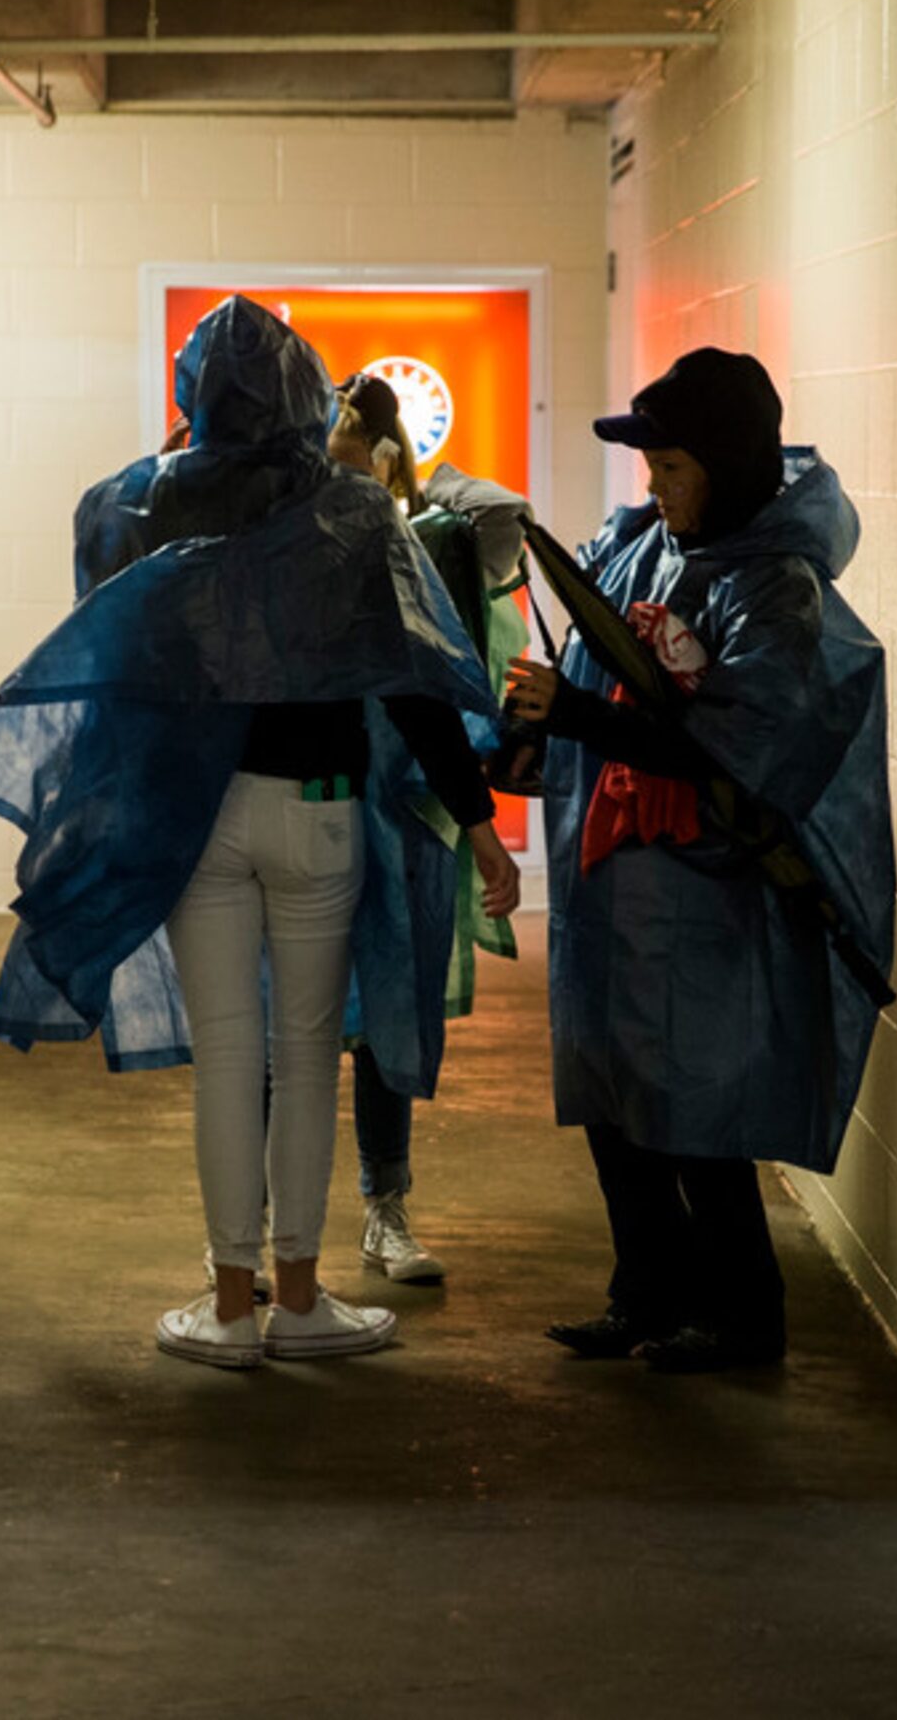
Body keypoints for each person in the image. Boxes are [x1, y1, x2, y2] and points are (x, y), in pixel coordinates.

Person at [0, 296, 519, 1371]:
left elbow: (113, 613)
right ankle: (301, 1302)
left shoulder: (139, 505)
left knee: (228, 1061)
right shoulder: (354, 514)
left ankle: (226, 1303)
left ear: (193, 397)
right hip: (319, 813)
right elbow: (410, 684)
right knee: (306, 1059)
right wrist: (480, 821)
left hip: (196, 820)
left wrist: (176, 470)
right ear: (307, 396)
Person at [501, 347, 894, 1374]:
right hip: (614, 883)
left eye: (673, 469)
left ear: (726, 464)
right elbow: (591, 670)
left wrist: (583, 711)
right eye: (653, 470)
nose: (656, 488)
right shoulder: (651, 547)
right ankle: (646, 1295)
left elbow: (747, 741)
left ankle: (741, 1319)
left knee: (697, 1112)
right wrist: (536, 725)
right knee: (614, 1099)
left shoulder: (776, 587)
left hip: (703, 897)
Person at [322, 372, 534, 1285]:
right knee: (279, 1028)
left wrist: (411, 477)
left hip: (400, 810)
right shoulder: (276, 544)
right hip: (302, 807)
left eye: (341, 447)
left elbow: (504, 517)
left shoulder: (419, 542)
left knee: (385, 1019)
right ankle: (254, 1236)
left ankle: (385, 1204)